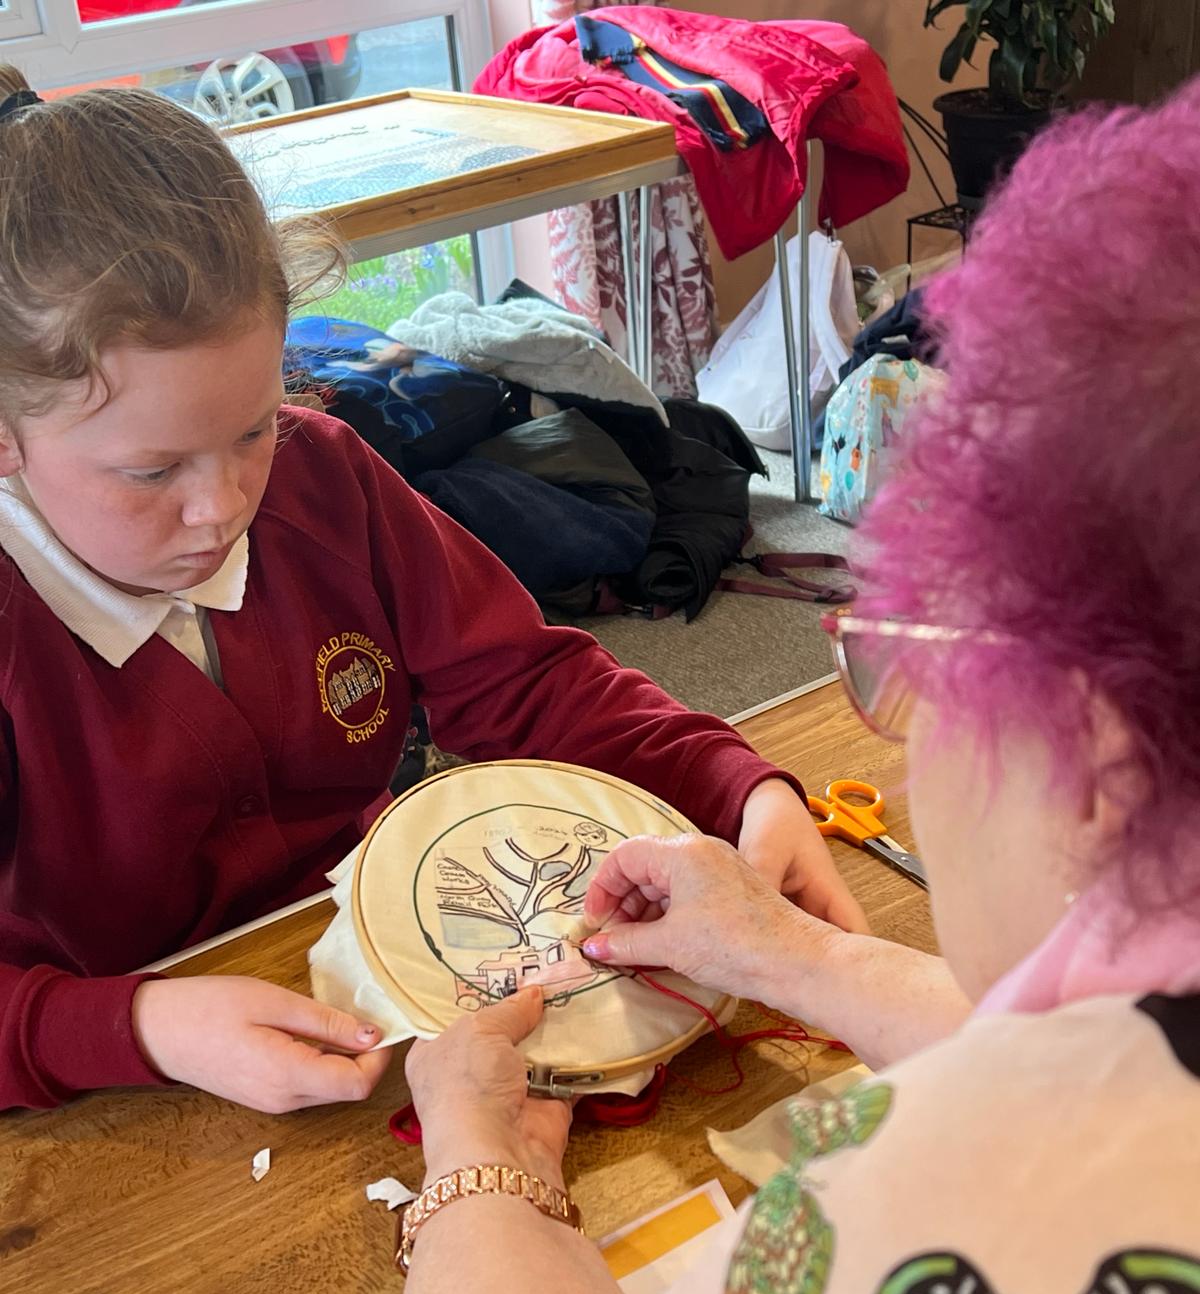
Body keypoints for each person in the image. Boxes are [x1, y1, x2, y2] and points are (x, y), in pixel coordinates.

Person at [391, 84, 1200, 1294]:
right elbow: (1128, 1053)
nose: (903, 750)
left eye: (912, 666)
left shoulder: (952, 1260)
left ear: (1091, 748)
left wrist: (478, 1161)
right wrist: (796, 956)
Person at [0, 66, 863, 1115]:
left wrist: (742, 786)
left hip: (379, 996)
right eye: (152, 472)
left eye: (250, 430)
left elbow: (534, 684)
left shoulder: (324, 475)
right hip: (99, 1090)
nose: (220, 505)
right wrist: (138, 1021)